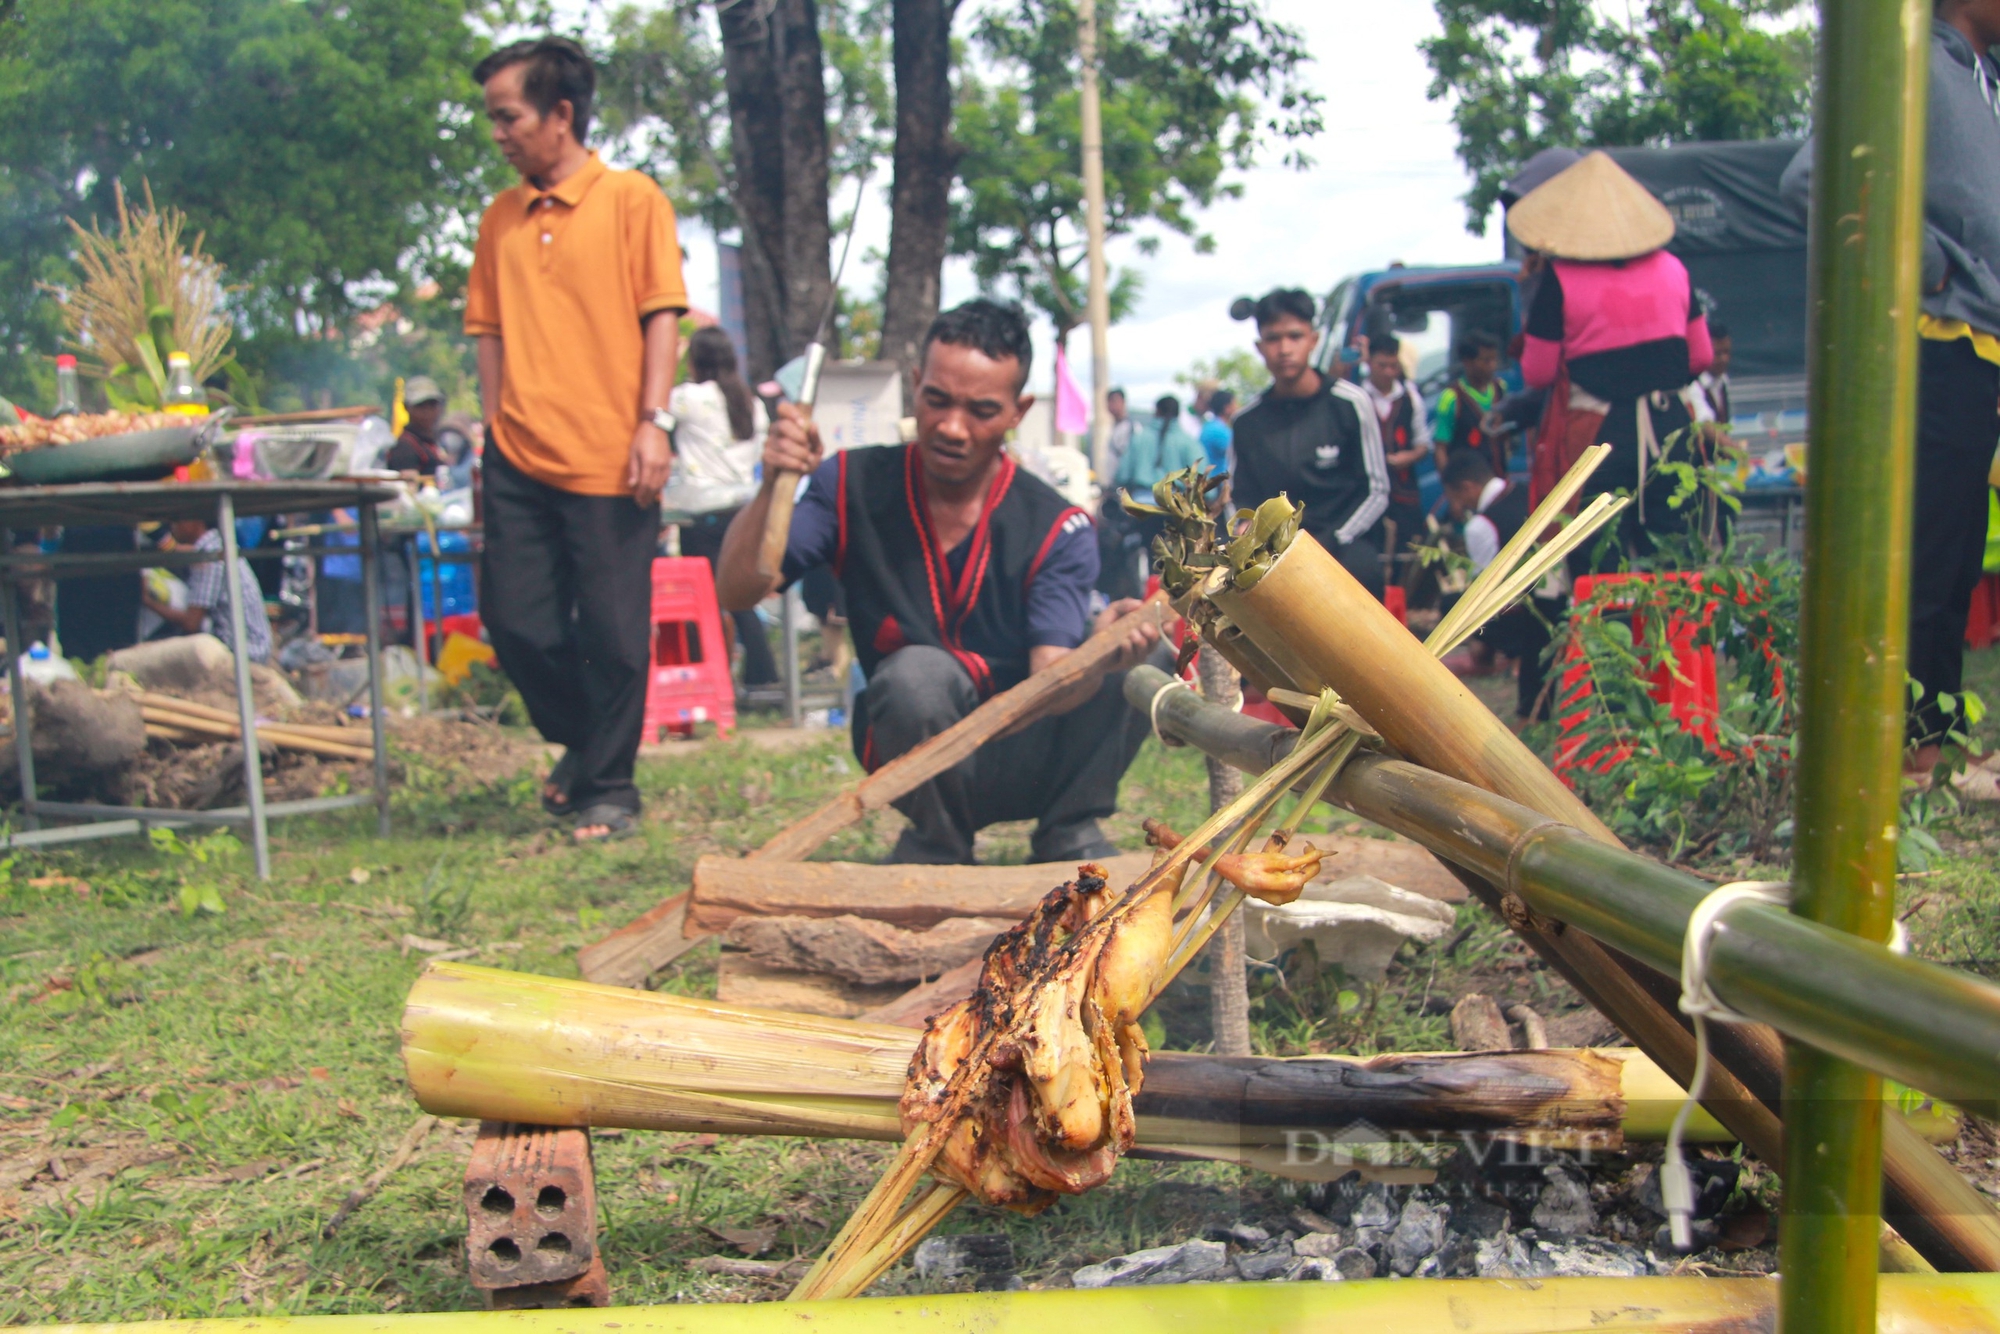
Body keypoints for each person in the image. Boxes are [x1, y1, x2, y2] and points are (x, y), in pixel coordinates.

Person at [713, 298, 1165, 865]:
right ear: (914, 384)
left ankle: (1068, 828)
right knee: (915, 677)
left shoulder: (1057, 525)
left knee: (1149, 653)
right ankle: (938, 840)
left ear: (1017, 410)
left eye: (980, 409)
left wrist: (1100, 651)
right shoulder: (850, 484)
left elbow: (1051, 680)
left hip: (1030, 753)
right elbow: (737, 592)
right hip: (912, 752)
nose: (952, 427)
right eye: (937, 400)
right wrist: (773, 485)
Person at [465, 35, 688, 842]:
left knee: (615, 635)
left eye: (508, 116)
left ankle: (609, 790)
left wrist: (653, 423)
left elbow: (661, 314)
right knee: (515, 622)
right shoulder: (500, 216)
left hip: (612, 456)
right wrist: (494, 423)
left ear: (561, 115)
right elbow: (486, 330)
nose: (499, 133)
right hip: (517, 454)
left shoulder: (633, 200)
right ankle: (590, 747)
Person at [1782, 0, 2000, 770]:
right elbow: (1816, 177)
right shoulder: (1912, 68)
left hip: (1982, 352)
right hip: (1935, 345)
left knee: (1959, 550)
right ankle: (1910, 754)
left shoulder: (1980, 81)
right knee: (1929, 554)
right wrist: (1928, 266)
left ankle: (1934, 739)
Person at [1512, 151, 1713, 566]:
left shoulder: (1560, 278)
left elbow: (1538, 371)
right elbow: (1701, 357)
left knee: (1599, 558)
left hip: (1598, 436)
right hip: (1670, 425)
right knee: (1674, 553)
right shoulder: (1673, 267)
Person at [1229, 288, 1391, 599]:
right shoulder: (1246, 422)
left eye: (1295, 336)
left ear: (1313, 340)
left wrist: (1328, 541)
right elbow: (1240, 497)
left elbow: (1377, 490)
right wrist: (1247, 534)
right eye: (1273, 338)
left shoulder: (1350, 403)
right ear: (1260, 347)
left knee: (1363, 569)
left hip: (1340, 546)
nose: (1284, 349)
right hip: (1270, 556)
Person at [669, 326, 778, 688]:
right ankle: (763, 677)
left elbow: (655, 417)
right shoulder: (750, 402)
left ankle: (710, 679)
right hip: (743, 510)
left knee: (701, 603)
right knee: (740, 597)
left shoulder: (688, 398)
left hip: (701, 512)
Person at [1441, 451, 1562, 723]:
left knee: (1453, 604)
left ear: (1467, 488)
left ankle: (1491, 657)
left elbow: (1484, 594)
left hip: (1524, 612)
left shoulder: (1480, 525)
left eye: (1455, 497)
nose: (1457, 505)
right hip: (1556, 596)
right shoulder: (1528, 492)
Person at [141, 519, 274, 665]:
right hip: (249, 645)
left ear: (196, 521)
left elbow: (191, 623)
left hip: (246, 651)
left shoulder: (210, 556)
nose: (173, 525)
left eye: (178, 520)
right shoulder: (215, 544)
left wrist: (149, 602)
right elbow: (175, 549)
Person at [1360, 334, 1433, 555]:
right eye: (1382, 365)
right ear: (1369, 362)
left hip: (1403, 491)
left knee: (1408, 550)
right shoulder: (1357, 397)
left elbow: (1423, 445)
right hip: (1365, 492)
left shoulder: (1410, 397)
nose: (1388, 372)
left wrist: (1405, 458)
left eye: (1393, 366)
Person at [1432, 332, 1505, 478]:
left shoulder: (1500, 388)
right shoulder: (1451, 397)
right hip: (1469, 485)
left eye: (1494, 360)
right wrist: (1451, 486)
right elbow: (1441, 448)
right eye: (1486, 361)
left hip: (1498, 479)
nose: (1492, 366)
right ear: (1467, 362)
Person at [385, 376, 471, 478]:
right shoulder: (405, 448)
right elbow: (408, 488)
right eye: (421, 406)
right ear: (407, 407)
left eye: (432, 405)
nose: (428, 412)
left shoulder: (436, 441)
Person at [1692, 320, 1733, 425]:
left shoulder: (1723, 382)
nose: (1724, 359)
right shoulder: (1693, 385)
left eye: (1727, 352)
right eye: (1718, 353)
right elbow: (1705, 424)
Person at [1198, 389, 1236, 475]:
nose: (1237, 407)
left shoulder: (1210, 426)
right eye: (1234, 404)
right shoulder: (1220, 431)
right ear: (1227, 408)